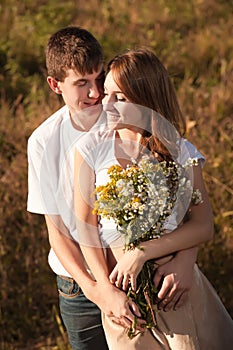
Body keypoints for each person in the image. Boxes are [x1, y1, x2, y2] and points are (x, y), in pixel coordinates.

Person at [27, 27, 199, 349]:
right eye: (82, 84)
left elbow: (184, 207)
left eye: (99, 79)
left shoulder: (126, 116)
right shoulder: (44, 142)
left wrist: (186, 260)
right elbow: (59, 232)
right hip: (80, 285)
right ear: (55, 85)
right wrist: (100, 291)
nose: (95, 93)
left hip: (147, 274)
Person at [74, 48, 233, 349]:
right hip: (123, 301)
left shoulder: (181, 151)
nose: (106, 104)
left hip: (175, 289)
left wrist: (147, 254)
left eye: (119, 98)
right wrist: (106, 291)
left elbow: (202, 224)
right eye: (106, 93)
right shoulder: (90, 149)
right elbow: (86, 228)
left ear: (146, 100)